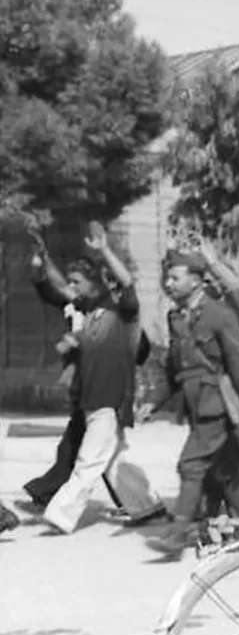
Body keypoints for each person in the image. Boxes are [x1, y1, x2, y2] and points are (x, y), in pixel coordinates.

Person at [37, 226, 164, 534]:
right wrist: (44, 259)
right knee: (113, 459)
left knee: (89, 460)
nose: (72, 287)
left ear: (95, 284)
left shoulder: (122, 312)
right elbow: (59, 289)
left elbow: (127, 281)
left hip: (110, 399)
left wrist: (105, 250)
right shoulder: (90, 313)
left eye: (78, 282)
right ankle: (147, 507)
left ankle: (60, 515)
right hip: (90, 400)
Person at [145, 250, 239, 556]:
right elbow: (174, 368)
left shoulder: (218, 314)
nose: (168, 284)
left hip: (217, 403)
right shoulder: (176, 317)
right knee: (225, 470)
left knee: (191, 464)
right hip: (195, 405)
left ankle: (177, 532)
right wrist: (154, 401)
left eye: (176, 277)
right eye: (167, 277)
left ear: (197, 281)